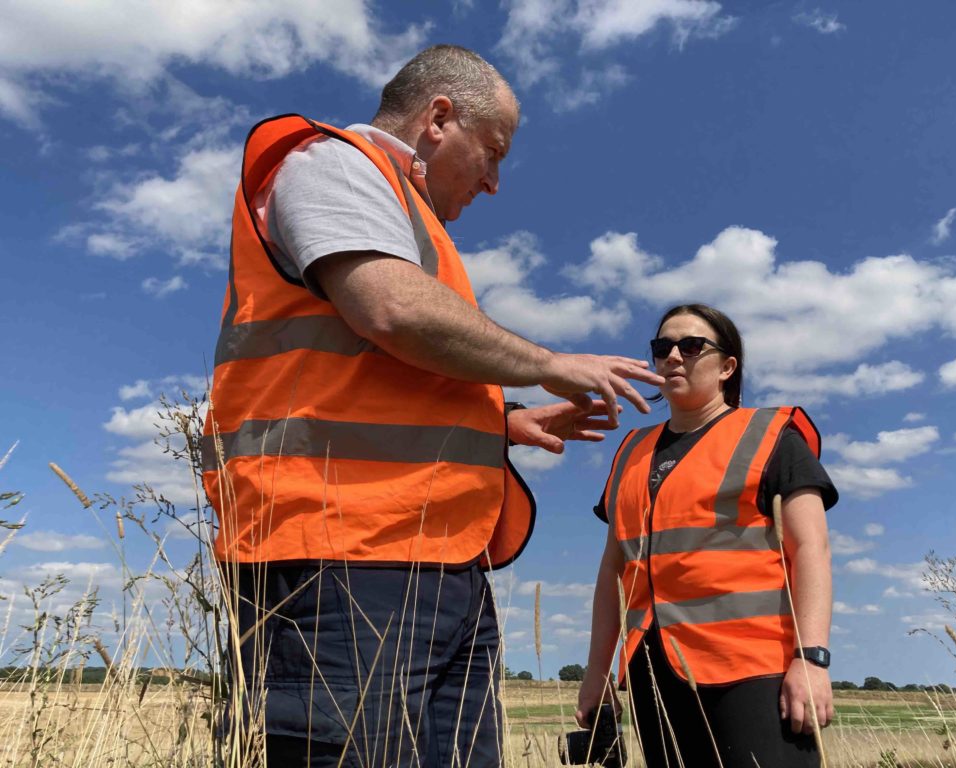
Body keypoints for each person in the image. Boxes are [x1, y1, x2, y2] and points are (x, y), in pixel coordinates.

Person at [200, 45, 663, 767]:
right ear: (439, 117)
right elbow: (389, 313)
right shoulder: (333, 164)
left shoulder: (413, 220)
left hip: (439, 569)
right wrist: (550, 366)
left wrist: (505, 421)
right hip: (340, 563)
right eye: (494, 153)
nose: (495, 182)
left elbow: (382, 373)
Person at [576, 303, 838, 768]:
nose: (673, 356)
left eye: (691, 346)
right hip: (654, 672)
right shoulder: (630, 453)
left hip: (755, 671)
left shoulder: (771, 435)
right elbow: (612, 572)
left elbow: (811, 550)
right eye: (663, 348)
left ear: (727, 367)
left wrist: (811, 659)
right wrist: (598, 671)